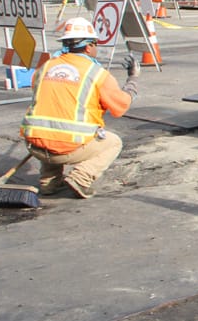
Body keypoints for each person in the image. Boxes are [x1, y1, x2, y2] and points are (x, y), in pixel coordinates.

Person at [20, 17, 139, 199]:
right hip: (66, 147)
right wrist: (133, 78)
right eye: (96, 43)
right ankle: (81, 178)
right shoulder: (96, 73)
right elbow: (121, 106)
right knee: (113, 142)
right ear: (89, 46)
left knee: (54, 129)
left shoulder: (45, 67)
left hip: (34, 145)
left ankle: (49, 182)